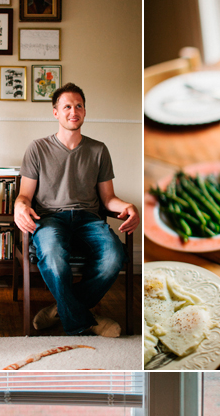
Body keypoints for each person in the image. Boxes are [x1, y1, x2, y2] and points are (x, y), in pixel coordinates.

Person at [14, 82, 139, 337]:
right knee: (52, 257)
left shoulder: (98, 150)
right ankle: (84, 321)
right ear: (56, 112)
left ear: (84, 111)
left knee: (114, 258)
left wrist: (127, 206)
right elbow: (24, 196)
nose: (74, 111)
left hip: (88, 219)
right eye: (67, 106)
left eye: (79, 106)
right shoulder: (37, 148)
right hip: (50, 219)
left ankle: (63, 309)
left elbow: (108, 199)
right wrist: (19, 208)